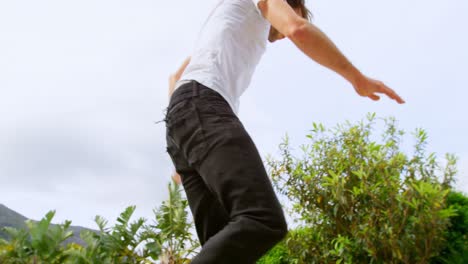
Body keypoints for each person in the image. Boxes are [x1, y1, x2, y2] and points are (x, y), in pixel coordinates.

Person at [164, 0, 405, 263]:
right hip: (203, 106)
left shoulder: (220, 26)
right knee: (262, 218)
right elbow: (296, 29)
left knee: (224, 243)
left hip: (183, 120)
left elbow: (175, 78)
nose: (278, 36)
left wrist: (180, 154)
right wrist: (357, 79)